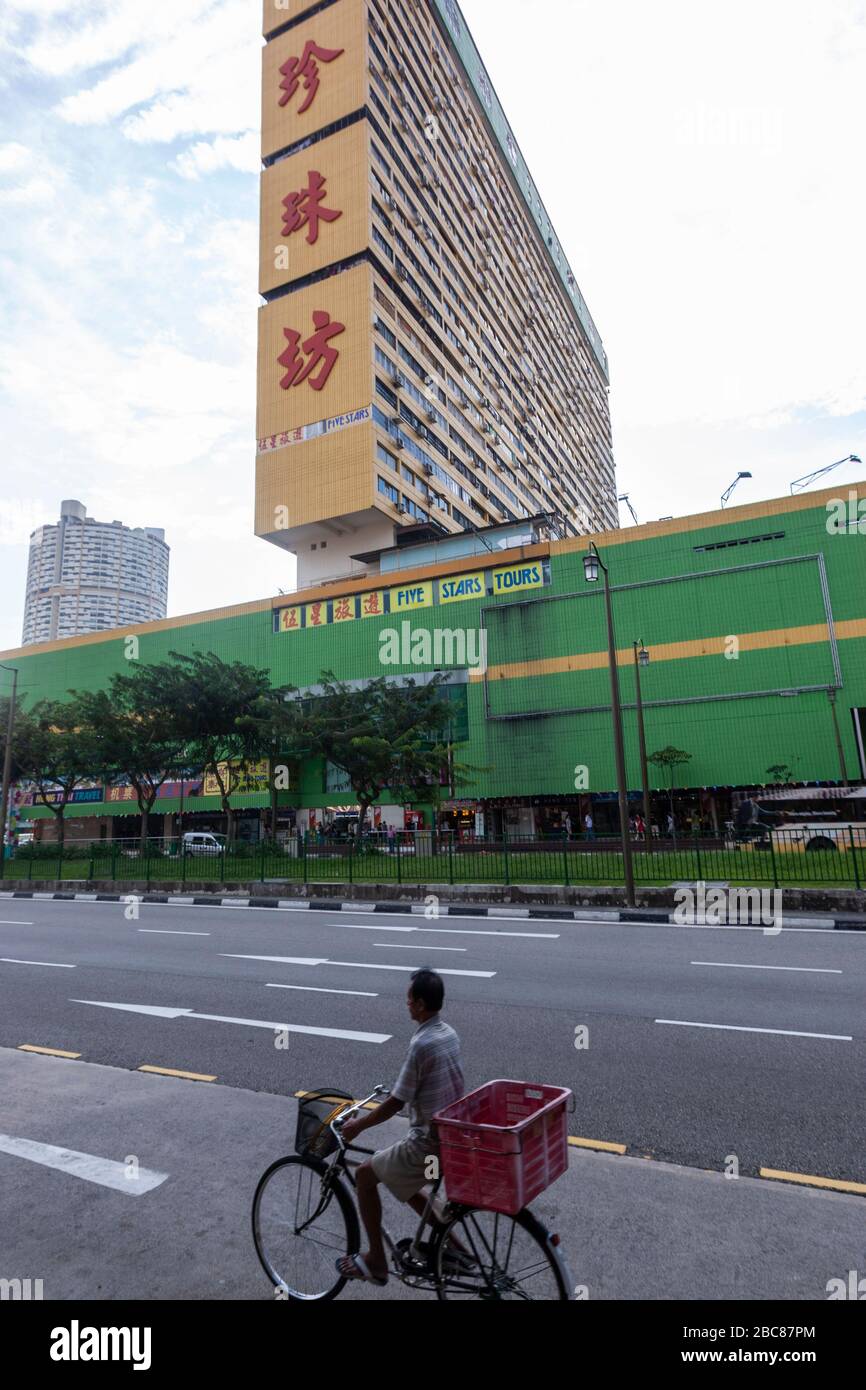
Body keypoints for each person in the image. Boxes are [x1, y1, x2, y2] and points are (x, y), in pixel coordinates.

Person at [336, 968, 465, 1286]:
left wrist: (358, 1126)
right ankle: (459, 1249)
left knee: (365, 1175)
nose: (406, 1004)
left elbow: (396, 1101)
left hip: (427, 1146)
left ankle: (376, 1261)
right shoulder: (448, 1034)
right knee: (406, 1184)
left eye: (409, 999)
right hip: (449, 1141)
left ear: (420, 1004)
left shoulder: (421, 1044)